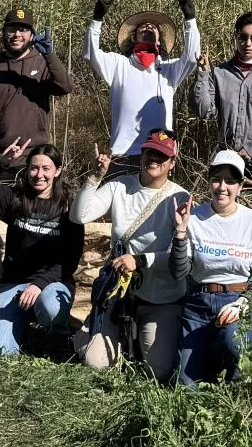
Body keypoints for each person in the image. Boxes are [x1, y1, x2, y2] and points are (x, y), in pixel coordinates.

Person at [73, 129, 189, 379]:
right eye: (150, 152)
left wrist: (140, 261)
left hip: (160, 298)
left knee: (158, 372)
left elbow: (180, 256)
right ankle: (93, 333)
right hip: (120, 294)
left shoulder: (180, 197)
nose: (154, 159)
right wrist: (95, 177)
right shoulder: (119, 185)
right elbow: (79, 216)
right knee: (96, 363)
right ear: (141, 154)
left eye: (162, 155)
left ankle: (135, 342)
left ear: (172, 162)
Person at [0, 139, 83, 357]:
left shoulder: (69, 206)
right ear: (27, 169)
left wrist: (39, 284)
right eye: (34, 168)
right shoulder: (15, 198)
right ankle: (22, 326)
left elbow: (71, 259)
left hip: (52, 284)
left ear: (58, 171)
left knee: (51, 306)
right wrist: (1, 163)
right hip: (15, 283)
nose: (39, 174)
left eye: (46, 168)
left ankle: (54, 338)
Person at [170, 150, 252, 384]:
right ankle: (210, 361)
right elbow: (179, 272)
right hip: (198, 304)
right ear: (209, 182)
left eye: (230, 181)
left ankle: (238, 378)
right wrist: (180, 232)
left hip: (237, 300)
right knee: (186, 386)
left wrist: (243, 304)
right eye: (216, 180)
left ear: (240, 187)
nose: (222, 187)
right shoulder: (193, 217)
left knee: (233, 342)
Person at [82, 0, 202, 159]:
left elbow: (192, 58)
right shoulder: (119, 65)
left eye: (153, 27)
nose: (148, 27)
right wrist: (97, 19)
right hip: (123, 154)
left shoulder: (169, 69)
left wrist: (190, 20)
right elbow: (91, 54)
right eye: (143, 26)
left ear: (159, 41)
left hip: (159, 153)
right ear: (134, 37)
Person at [191, 10, 252, 185]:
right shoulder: (220, 73)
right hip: (228, 157)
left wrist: (250, 149)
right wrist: (203, 75)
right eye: (243, 37)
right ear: (236, 37)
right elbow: (204, 111)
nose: (248, 44)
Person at [0, 7, 74, 156]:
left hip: (36, 155)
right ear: (3, 33)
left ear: (32, 35)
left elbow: (65, 87)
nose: (17, 35)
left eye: (23, 30)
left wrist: (50, 55)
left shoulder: (42, 64)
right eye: (12, 30)